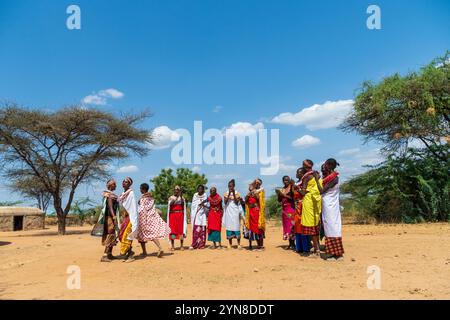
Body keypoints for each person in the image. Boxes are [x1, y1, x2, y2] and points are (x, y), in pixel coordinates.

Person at [314, 159, 344, 261]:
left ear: (330, 165)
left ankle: (334, 253)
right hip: (329, 204)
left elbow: (321, 191)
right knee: (330, 226)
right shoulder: (331, 177)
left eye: (326, 164)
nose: (324, 166)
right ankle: (336, 253)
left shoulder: (334, 178)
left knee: (331, 227)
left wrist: (316, 179)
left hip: (330, 206)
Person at [137, 183, 170, 258]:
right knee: (152, 234)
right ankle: (160, 248)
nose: (139, 190)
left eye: (140, 188)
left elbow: (142, 210)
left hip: (145, 218)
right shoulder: (151, 197)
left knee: (141, 235)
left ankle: (144, 252)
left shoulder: (143, 198)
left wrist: (140, 219)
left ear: (143, 189)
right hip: (152, 217)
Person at [300, 161, 322, 256]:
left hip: (309, 201)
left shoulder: (306, 177)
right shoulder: (317, 173)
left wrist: (297, 189)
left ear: (305, 166)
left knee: (311, 226)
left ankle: (316, 250)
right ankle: (317, 247)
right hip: (317, 201)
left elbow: (303, 193)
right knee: (316, 224)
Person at [96, 179, 120, 262]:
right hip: (109, 217)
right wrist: (114, 217)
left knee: (113, 234)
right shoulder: (109, 195)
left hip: (110, 216)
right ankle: (105, 255)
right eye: (114, 184)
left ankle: (110, 254)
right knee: (110, 234)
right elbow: (110, 207)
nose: (115, 186)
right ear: (109, 185)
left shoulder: (111, 195)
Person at [118, 177, 139, 262]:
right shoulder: (123, 193)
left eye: (126, 182)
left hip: (130, 217)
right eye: (123, 181)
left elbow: (133, 207)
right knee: (122, 235)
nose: (124, 183)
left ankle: (130, 256)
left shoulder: (131, 193)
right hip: (125, 217)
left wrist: (133, 220)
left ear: (130, 184)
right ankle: (129, 253)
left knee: (127, 236)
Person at [292, 168, 311, 255]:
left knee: (302, 225)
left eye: (298, 172)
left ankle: (306, 248)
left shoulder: (304, 182)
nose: (296, 174)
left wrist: (296, 187)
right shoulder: (296, 183)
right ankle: (299, 247)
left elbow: (303, 193)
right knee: (297, 226)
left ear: (302, 174)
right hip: (296, 207)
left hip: (303, 205)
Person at [223, 179, 245, 250]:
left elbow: (236, 202)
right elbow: (225, 202)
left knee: (236, 226)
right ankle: (230, 244)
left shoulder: (237, 193)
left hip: (235, 212)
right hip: (229, 212)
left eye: (231, 186)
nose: (230, 187)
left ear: (234, 186)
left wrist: (234, 195)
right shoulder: (226, 193)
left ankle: (238, 244)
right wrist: (229, 193)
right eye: (229, 186)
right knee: (229, 227)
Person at [245, 180, 266, 250]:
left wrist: (254, 191)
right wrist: (249, 193)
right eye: (255, 183)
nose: (256, 184)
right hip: (251, 211)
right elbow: (246, 201)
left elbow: (259, 200)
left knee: (258, 227)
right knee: (252, 227)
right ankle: (254, 244)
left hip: (257, 211)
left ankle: (260, 245)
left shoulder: (261, 191)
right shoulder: (250, 192)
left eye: (257, 183)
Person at [276, 176, 295, 250]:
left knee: (292, 226)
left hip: (291, 209)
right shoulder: (282, 189)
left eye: (287, 180)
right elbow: (279, 200)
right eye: (284, 180)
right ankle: (290, 243)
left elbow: (293, 198)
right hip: (284, 210)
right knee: (287, 227)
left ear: (289, 180)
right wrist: (279, 194)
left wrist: (284, 195)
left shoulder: (291, 188)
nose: (285, 181)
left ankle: (293, 243)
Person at [167, 186, 187, 251]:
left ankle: (181, 246)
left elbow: (183, 204)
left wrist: (180, 196)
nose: (176, 191)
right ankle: (173, 246)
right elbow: (171, 204)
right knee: (173, 231)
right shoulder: (171, 197)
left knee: (180, 230)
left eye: (178, 190)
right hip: (172, 215)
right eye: (175, 190)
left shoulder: (182, 198)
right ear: (174, 190)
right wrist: (176, 198)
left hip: (180, 215)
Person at [189, 185, 208, 250]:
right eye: (199, 189)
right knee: (196, 231)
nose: (200, 190)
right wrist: (198, 205)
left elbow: (206, 205)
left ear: (203, 190)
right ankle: (194, 244)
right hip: (196, 215)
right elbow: (193, 205)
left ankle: (201, 245)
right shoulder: (195, 195)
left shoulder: (205, 195)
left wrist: (203, 204)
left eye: (201, 189)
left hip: (202, 215)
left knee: (202, 231)